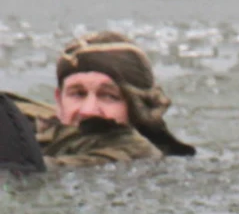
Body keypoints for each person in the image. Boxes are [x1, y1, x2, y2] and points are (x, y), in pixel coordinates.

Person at [1, 31, 195, 169]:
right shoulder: (30, 121)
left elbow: (36, 172)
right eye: (77, 94)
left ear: (137, 107)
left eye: (109, 96)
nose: (89, 110)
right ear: (59, 101)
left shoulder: (134, 153)